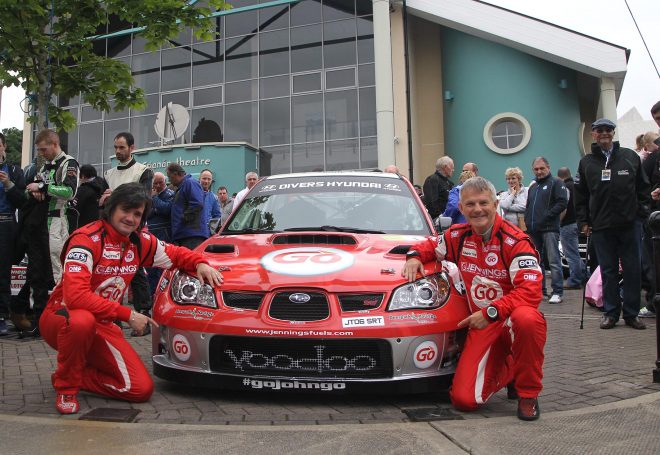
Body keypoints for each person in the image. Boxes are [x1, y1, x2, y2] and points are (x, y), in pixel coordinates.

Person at [39, 183, 223, 414]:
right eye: (126, 210)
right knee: (82, 321)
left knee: (139, 389)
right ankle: (66, 386)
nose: (130, 218)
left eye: (137, 214)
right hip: (61, 319)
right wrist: (127, 314)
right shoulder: (86, 239)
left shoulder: (139, 242)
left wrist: (199, 263)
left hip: (102, 325)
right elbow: (75, 297)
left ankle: (74, 371)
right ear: (112, 207)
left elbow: (176, 253)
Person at [402, 176, 546, 421]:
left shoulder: (516, 241)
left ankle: (528, 394)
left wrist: (492, 312)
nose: (477, 209)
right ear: (461, 208)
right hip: (483, 325)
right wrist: (414, 256)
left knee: (528, 319)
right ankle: (510, 371)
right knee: (464, 400)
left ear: (495, 203)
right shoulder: (457, 236)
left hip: (508, 318)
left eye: (483, 203)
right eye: (470, 204)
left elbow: (530, 292)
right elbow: (429, 244)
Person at [574, 118, 649, 330]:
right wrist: (584, 222)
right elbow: (580, 195)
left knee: (633, 270)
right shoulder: (586, 162)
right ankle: (611, 313)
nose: (604, 133)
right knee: (608, 271)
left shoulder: (630, 157)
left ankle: (632, 314)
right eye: (600, 130)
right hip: (601, 226)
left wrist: (641, 214)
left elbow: (643, 188)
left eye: (608, 130)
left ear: (613, 133)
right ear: (594, 135)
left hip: (629, 224)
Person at [15, 130, 79, 337]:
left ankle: (62, 319)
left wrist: (42, 186)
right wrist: (34, 189)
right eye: (39, 150)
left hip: (57, 223)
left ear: (54, 143)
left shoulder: (69, 163)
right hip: (37, 223)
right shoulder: (43, 166)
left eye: (44, 149)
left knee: (57, 271)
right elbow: (29, 188)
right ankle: (40, 322)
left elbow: (70, 192)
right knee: (36, 273)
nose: (42, 153)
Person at [100, 132, 154, 335]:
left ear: (132, 148)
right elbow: (104, 202)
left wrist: (113, 197)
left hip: (133, 229)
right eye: (115, 147)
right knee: (110, 271)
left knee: (136, 270)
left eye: (122, 147)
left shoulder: (143, 171)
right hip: (110, 229)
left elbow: (145, 200)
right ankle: (112, 316)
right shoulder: (108, 174)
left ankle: (144, 313)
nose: (118, 151)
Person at [524, 157, 568, 304]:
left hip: (549, 229)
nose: (539, 171)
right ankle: (540, 291)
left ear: (548, 167)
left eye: (542, 168)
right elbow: (529, 206)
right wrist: (527, 221)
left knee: (554, 261)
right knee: (536, 262)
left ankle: (557, 292)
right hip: (533, 230)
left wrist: (547, 216)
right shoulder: (533, 187)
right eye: (536, 169)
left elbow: (562, 202)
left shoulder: (556, 183)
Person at [0, 133, 26, 335]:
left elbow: (22, 201)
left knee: (3, 273)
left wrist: (9, 184)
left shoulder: (15, 171)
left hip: (6, 224)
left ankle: (2, 316)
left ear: (4, 147)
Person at [146, 172, 175, 296]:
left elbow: (167, 209)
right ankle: (152, 294)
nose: (157, 185)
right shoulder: (150, 197)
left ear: (165, 181)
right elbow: (147, 213)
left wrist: (155, 198)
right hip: (151, 233)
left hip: (165, 234)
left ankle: (163, 294)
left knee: (163, 266)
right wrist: (156, 209)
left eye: (160, 182)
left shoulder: (170, 194)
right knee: (151, 266)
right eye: (155, 183)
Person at [556, 167, 585, 289]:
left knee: (571, 254)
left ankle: (574, 280)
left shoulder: (564, 188)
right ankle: (585, 275)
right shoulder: (576, 186)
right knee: (575, 253)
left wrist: (558, 222)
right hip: (577, 222)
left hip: (567, 223)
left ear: (559, 177)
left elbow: (563, 208)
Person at [167, 163, 207, 249]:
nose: (169, 180)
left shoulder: (190, 183)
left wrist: (183, 219)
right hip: (185, 235)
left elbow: (197, 204)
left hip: (191, 236)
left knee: (191, 262)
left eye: (169, 176)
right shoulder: (182, 186)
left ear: (175, 174)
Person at [68, 164, 106, 231]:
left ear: (82, 176)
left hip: (85, 227)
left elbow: (74, 210)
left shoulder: (83, 190)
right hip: (100, 225)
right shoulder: (103, 185)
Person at [199, 168, 221, 237]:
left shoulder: (213, 197)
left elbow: (217, 216)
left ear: (211, 181)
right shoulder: (192, 193)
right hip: (193, 234)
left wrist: (211, 230)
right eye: (204, 178)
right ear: (199, 179)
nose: (206, 181)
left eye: (209, 179)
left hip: (207, 235)